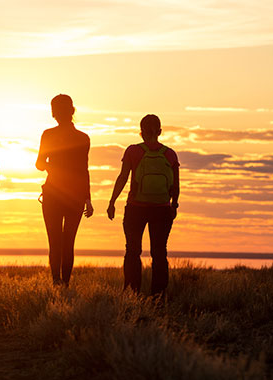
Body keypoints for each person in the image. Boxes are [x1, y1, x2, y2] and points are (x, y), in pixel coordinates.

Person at [107, 114, 180, 295]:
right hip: (162, 209)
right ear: (160, 131)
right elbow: (176, 185)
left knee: (132, 251)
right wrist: (174, 205)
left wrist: (112, 201)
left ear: (141, 132)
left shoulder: (133, 151)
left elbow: (123, 177)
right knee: (159, 253)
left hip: (135, 208)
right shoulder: (170, 154)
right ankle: (159, 296)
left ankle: (132, 294)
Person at [35, 94, 93, 287]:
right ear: (72, 111)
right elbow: (83, 170)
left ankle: (56, 283)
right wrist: (87, 199)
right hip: (75, 196)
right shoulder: (83, 138)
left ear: (54, 113)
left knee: (55, 242)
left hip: (53, 194)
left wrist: (53, 167)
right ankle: (65, 285)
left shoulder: (48, 135)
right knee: (68, 243)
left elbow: (39, 164)